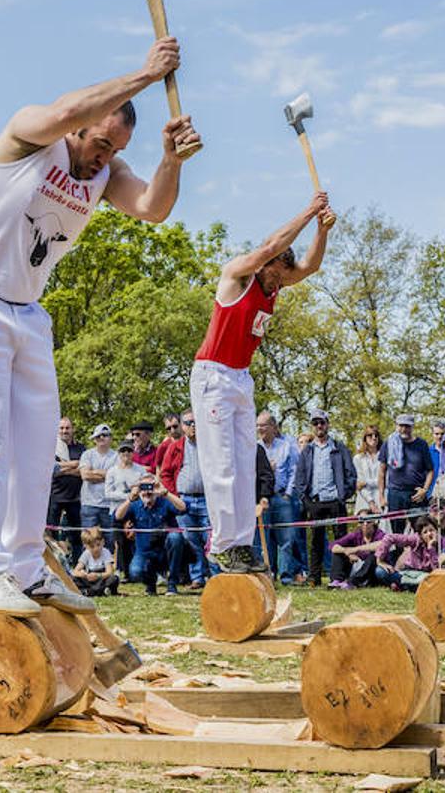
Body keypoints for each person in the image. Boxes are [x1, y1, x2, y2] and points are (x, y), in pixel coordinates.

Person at [0, 36, 200, 617]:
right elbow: (64, 113)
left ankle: (27, 569)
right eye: (100, 143)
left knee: (34, 451)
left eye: (115, 149)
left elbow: (153, 207)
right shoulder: (30, 133)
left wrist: (170, 158)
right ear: (81, 126)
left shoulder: (105, 173)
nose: (102, 159)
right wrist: (148, 75)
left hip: (27, 313)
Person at [189, 195, 332, 576]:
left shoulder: (276, 284)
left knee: (243, 466)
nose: (278, 284)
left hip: (241, 377)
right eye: (274, 275)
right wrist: (309, 211)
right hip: (214, 374)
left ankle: (241, 544)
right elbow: (271, 247)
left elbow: (310, 267)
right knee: (220, 465)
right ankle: (221, 545)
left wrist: (323, 229)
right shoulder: (238, 274)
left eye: (281, 278)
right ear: (265, 264)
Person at [290, 409, 357, 586]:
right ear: (312, 427)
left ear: (327, 424)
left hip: (335, 500)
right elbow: (300, 478)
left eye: (322, 422)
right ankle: (314, 577)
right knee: (316, 541)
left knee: (341, 539)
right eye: (315, 423)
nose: (319, 426)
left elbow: (351, 474)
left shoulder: (338, 447)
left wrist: (343, 495)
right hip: (315, 501)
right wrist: (305, 500)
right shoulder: (307, 451)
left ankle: (339, 576)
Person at [159, 410, 211, 589]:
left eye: (195, 422)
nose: (192, 426)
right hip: (184, 500)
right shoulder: (175, 447)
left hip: (207, 499)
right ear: (182, 426)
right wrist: (174, 496)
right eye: (188, 423)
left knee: (209, 538)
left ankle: (213, 575)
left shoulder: (210, 445)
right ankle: (197, 577)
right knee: (190, 538)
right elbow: (165, 473)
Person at [115, 473, 187, 596]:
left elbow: (182, 508)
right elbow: (118, 516)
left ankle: (172, 584)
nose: (147, 492)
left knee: (176, 536)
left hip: (165, 550)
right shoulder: (135, 504)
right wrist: (130, 498)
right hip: (144, 552)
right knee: (135, 572)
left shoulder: (164, 501)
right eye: (143, 487)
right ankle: (150, 584)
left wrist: (165, 493)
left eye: (151, 487)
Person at [257, 412, 303, 585]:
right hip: (263, 500)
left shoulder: (286, 446)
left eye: (263, 425)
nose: (260, 429)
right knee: (265, 540)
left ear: (273, 427)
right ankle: (268, 575)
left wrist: (288, 494)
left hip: (282, 497)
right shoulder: (254, 448)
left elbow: (294, 471)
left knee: (287, 538)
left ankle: (286, 576)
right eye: (258, 426)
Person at [377, 415, 434, 529]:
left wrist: (425, 490)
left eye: (407, 426)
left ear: (412, 427)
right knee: (397, 531)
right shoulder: (389, 443)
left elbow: (430, 470)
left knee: (422, 529)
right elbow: (382, 471)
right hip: (395, 493)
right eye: (401, 426)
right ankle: (399, 548)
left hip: (416, 494)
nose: (403, 429)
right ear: (396, 426)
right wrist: (382, 497)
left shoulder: (421, 444)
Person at [48, 417, 86, 567]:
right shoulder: (51, 448)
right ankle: (52, 566)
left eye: (67, 428)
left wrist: (61, 466)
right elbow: (51, 471)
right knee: (51, 534)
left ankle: (77, 566)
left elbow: (82, 471)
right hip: (55, 496)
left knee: (76, 536)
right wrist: (74, 465)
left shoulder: (81, 449)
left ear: (73, 429)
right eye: (61, 428)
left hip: (75, 497)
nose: (64, 431)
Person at [374, 515, 445, 591]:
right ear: (420, 535)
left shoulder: (442, 543)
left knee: (430, 580)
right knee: (380, 571)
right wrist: (379, 560)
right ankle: (404, 585)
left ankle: (403, 586)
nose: (429, 534)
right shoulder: (414, 539)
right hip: (409, 573)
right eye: (425, 532)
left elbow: (436, 570)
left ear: (436, 530)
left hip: (427, 576)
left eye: (431, 530)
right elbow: (389, 537)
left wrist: (431, 548)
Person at [104, 438, 144, 573]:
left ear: (133, 452)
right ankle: (121, 570)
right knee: (120, 541)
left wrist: (137, 494)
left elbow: (145, 489)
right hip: (116, 511)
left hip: (136, 511)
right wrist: (127, 496)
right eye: (123, 451)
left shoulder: (140, 470)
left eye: (129, 450)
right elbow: (108, 493)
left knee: (135, 540)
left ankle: (137, 569)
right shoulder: (112, 471)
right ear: (118, 453)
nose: (126, 453)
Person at [326, 511, 387, 588]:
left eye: (368, 521)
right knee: (338, 553)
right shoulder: (355, 534)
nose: (365, 524)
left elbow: (382, 544)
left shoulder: (380, 534)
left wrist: (355, 550)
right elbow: (333, 546)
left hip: (373, 569)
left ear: (374, 522)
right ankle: (336, 581)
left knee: (373, 556)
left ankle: (353, 582)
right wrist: (347, 552)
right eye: (361, 521)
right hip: (357, 565)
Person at [79, 424, 119, 537]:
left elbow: (116, 477)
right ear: (94, 439)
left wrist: (94, 471)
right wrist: (106, 475)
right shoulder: (87, 454)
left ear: (111, 438)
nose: (101, 438)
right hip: (89, 504)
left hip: (109, 505)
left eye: (105, 435)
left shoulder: (116, 456)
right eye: (98, 436)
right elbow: (85, 475)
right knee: (88, 540)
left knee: (110, 542)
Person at [72, 526, 120, 597]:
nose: (96, 549)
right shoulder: (86, 553)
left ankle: (90, 591)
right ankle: (101, 591)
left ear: (103, 542)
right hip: (89, 579)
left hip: (101, 578)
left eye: (98, 545)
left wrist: (98, 576)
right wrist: (83, 574)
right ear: (86, 546)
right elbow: (75, 572)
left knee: (114, 579)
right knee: (73, 579)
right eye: (92, 546)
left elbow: (109, 572)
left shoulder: (105, 552)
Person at [353, 425, 383, 516]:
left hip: (381, 497)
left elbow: (385, 481)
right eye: (370, 435)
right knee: (365, 527)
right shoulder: (358, 458)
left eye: (376, 435)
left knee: (384, 528)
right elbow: (359, 485)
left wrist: (366, 482)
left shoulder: (384, 457)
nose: (373, 438)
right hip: (364, 499)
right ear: (365, 438)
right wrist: (371, 502)